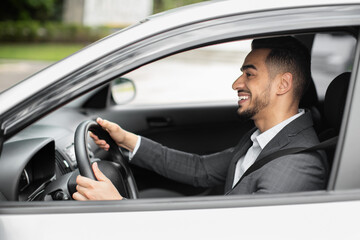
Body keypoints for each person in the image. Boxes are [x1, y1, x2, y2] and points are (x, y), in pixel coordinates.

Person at [72, 36, 328, 201]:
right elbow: (200, 170)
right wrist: (127, 140)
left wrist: (117, 208)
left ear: (283, 84)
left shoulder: (297, 165)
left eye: (249, 74)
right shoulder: (264, 137)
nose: (236, 84)